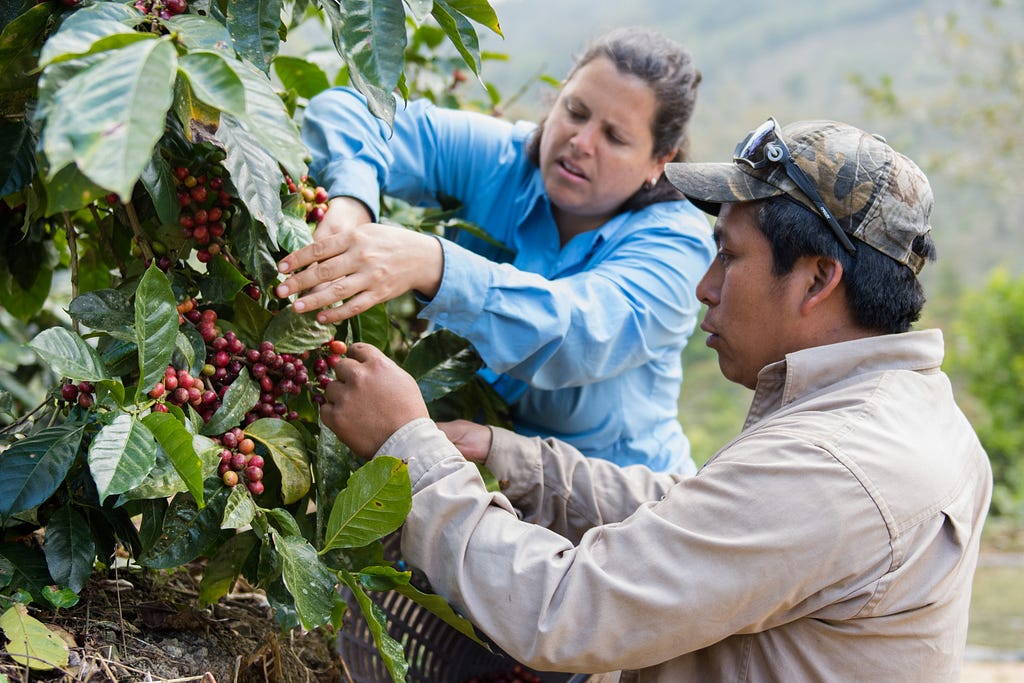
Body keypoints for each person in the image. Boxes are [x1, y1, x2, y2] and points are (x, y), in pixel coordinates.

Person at [318, 117, 993, 681]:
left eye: (728, 255)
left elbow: (564, 610)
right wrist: (518, 462)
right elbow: (705, 521)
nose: (706, 285)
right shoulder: (906, 411)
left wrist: (408, 444)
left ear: (817, 280)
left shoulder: (835, 466)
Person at [276, 27, 715, 474]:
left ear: (661, 160)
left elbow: (578, 334)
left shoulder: (678, 245)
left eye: (615, 137)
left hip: (611, 503)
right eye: (575, 112)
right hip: (465, 479)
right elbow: (354, 111)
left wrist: (435, 264)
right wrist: (353, 202)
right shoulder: (505, 159)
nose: (580, 142)